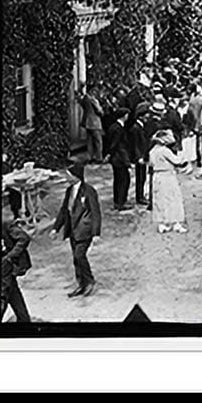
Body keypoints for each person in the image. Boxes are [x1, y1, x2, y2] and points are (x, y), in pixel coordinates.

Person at [50, 161, 102, 298]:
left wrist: (96, 232)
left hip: (85, 230)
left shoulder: (89, 191)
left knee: (80, 255)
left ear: (76, 176)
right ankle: (81, 283)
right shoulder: (69, 191)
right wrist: (56, 228)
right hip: (72, 229)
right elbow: (63, 211)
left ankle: (89, 281)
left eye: (68, 175)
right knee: (75, 258)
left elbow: (96, 212)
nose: (66, 177)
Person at [148, 129, 189, 234]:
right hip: (167, 175)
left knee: (160, 200)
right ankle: (176, 223)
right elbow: (177, 161)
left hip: (157, 175)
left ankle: (162, 224)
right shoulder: (164, 151)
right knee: (173, 198)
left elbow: (151, 164)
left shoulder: (152, 151)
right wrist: (183, 155)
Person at [1, 192, 31, 322]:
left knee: (3, 296)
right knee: (13, 294)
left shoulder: (5, 223)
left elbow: (24, 238)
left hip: (5, 267)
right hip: (6, 270)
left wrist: (9, 256)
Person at [104, 107, 132, 211]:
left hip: (116, 158)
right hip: (119, 158)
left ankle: (118, 201)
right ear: (124, 116)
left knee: (118, 180)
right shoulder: (118, 129)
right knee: (123, 180)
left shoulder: (113, 127)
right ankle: (121, 202)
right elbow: (117, 145)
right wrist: (127, 161)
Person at [127, 105, 151, 208]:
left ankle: (140, 196)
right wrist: (138, 157)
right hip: (139, 157)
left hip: (142, 155)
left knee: (143, 177)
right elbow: (135, 145)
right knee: (140, 177)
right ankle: (139, 197)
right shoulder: (135, 129)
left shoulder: (140, 127)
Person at [77, 84, 104, 163]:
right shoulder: (93, 100)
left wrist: (80, 90)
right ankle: (99, 158)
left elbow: (80, 101)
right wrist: (102, 111)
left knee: (89, 141)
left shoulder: (85, 99)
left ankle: (90, 157)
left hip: (87, 123)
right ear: (93, 91)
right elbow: (99, 111)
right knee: (98, 141)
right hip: (95, 122)